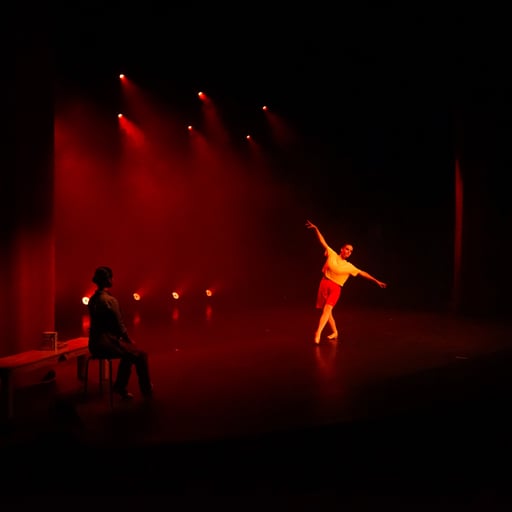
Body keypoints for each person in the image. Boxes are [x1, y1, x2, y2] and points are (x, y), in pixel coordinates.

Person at [306, 220, 387, 344]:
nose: (349, 252)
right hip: (324, 283)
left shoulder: (349, 266)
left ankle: (318, 332)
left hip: (336, 288)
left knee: (327, 310)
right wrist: (316, 229)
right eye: (347, 249)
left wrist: (376, 281)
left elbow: (363, 273)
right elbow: (322, 241)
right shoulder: (332, 254)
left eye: (351, 251)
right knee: (328, 313)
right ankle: (335, 332)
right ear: (342, 249)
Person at [87, 266, 153, 399]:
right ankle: (146, 390)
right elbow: (120, 326)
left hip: (94, 344)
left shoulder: (92, 299)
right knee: (140, 355)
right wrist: (129, 340)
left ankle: (120, 386)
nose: (112, 279)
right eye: (110, 277)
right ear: (107, 280)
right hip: (106, 344)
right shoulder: (110, 301)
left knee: (128, 354)